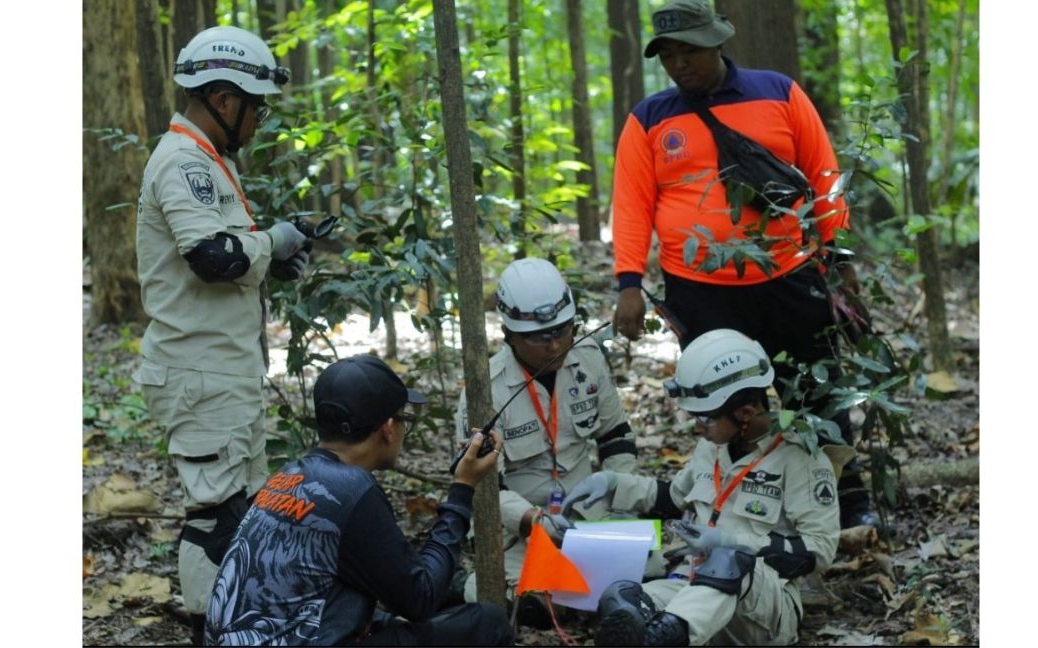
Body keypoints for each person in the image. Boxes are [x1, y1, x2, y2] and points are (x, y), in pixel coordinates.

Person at [609, 0, 878, 530]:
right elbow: (633, 203)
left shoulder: (777, 91)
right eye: (668, 55)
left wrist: (838, 254)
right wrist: (629, 283)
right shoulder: (650, 119)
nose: (679, 64)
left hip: (791, 273)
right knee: (728, 405)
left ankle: (843, 497)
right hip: (700, 289)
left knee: (814, 389)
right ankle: (747, 506)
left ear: (716, 43)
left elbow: (822, 175)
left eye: (689, 50)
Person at [132, 25, 313, 644]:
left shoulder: (210, 160)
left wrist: (271, 258)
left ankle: (241, 620)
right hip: (198, 370)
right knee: (213, 514)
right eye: (256, 107)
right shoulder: (184, 161)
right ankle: (213, 628)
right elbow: (213, 256)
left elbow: (230, 258)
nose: (259, 121)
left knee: (240, 505)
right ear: (224, 99)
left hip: (222, 370)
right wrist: (275, 241)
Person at [204, 354, 513, 646]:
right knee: (487, 623)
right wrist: (462, 487)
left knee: (390, 620)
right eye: (406, 418)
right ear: (388, 429)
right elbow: (421, 597)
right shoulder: (351, 490)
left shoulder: (287, 476)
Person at [561, 329, 840, 646]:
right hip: (690, 585)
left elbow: (819, 551)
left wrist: (731, 541)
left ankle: (665, 635)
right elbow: (673, 497)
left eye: (705, 419)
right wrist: (612, 484)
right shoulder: (712, 447)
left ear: (745, 413)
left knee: (729, 559)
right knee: (623, 598)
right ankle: (662, 632)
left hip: (761, 609)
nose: (697, 427)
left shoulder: (801, 458)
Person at [454, 257, 652, 624]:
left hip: (588, 518)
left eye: (564, 331)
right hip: (523, 532)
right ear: (509, 335)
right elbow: (483, 483)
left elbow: (616, 437)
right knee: (510, 597)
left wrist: (620, 497)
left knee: (659, 573)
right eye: (541, 337)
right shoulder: (486, 390)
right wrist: (531, 520)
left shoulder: (588, 359)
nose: (556, 345)